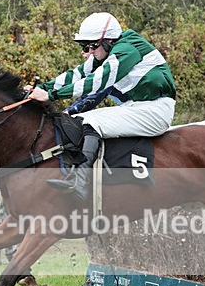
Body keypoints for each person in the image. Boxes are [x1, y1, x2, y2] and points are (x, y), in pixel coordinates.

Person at [26, 12, 177, 201]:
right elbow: (77, 74)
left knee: (89, 121)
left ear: (107, 41)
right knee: (82, 119)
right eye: (84, 46)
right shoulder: (109, 50)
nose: (88, 52)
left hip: (155, 110)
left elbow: (96, 82)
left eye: (91, 46)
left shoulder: (126, 50)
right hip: (137, 106)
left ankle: (80, 184)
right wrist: (40, 88)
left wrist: (50, 95)